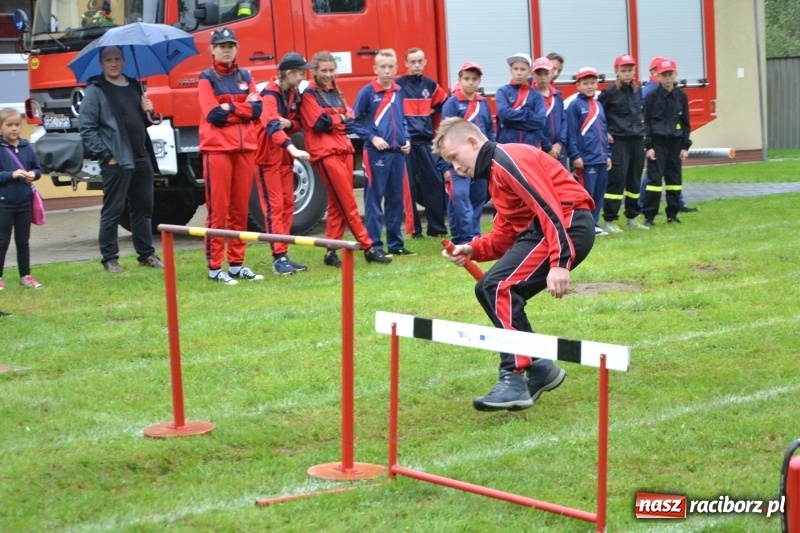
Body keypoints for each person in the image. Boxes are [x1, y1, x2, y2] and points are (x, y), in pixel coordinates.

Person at [433, 118, 595, 412]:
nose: (455, 168)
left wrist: (560, 262)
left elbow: (548, 205)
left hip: (567, 226)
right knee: (489, 289)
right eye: (449, 162)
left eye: (454, 158)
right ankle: (539, 366)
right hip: (544, 231)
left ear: (472, 142)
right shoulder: (495, 177)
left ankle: (514, 375)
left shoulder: (509, 158)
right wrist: (471, 248)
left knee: (497, 287)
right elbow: (506, 234)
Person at [299, 51, 392, 266]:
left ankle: (330, 252)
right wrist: (339, 118)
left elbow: (350, 121)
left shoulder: (335, 92)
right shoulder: (310, 95)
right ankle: (368, 248)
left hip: (343, 149)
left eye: (331, 70)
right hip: (326, 153)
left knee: (337, 204)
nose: (328, 74)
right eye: (324, 70)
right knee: (348, 203)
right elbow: (318, 123)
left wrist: (335, 120)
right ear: (315, 71)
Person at [79, 45, 164, 273]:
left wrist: (149, 111)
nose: (114, 63)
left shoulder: (134, 85)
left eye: (117, 59)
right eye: (109, 60)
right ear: (101, 64)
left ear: (124, 61)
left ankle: (146, 255)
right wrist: (108, 156)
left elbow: (143, 121)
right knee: (113, 211)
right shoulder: (96, 89)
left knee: (144, 209)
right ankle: (110, 259)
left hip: (141, 157)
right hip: (117, 160)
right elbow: (87, 129)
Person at [197, 28, 264, 284]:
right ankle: (215, 267)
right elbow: (213, 115)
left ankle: (236, 264)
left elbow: (258, 109)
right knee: (219, 211)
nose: (227, 49)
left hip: (245, 148)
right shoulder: (206, 78)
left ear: (237, 48)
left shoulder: (245, 75)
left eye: (231, 45)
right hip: (217, 150)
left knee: (239, 209)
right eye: (222, 45)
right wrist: (243, 109)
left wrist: (231, 107)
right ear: (212, 49)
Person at [256, 52, 313, 275]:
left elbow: (297, 122)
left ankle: (284, 253)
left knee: (288, 203)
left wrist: (289, 123)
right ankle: (278, 257)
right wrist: (291, 147)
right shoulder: (269, 94)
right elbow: (271, 125)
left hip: (284, 158)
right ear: (289, 73)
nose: (302, 78)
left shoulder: (292, 93)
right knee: (274, 207)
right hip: (268, 156)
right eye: (300, 73)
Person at [352, 49, 414, 256]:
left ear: (396, 68)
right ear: (375, 69)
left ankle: (396, 244)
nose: (387, 71)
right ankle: (374, 246)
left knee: (396, 199)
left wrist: (407, 139)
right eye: (382, 67)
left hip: (398, 154)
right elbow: (353, 121)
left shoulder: (398, 91)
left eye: (390, 67)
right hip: (376, 155)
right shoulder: (368, 92)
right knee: (374, 200)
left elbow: (402, 118)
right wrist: (372, 138)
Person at [395, 48, 449, 239]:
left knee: (434, 183)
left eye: (420, 61)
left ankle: (437, 228)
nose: (416, 65)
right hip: (406, 143)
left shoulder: (430, 85)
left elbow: (444, 102)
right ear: (406, 64)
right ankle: (414, 231)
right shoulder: (397, 85)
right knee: (408, 188)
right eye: (413, 62)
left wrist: (431, 111)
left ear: (425, 62)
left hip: (426, 142)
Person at [439, 61, 494, 245]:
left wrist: (492, 153)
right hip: (458, 161)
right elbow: (443, 135)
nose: (470, 83)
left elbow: (488, 130)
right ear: (460, 80)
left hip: (481, 160)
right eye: (467, 79)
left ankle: (473, 235)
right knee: (460, 197)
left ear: (479, 81)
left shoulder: (483, 103)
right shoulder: (452, 103)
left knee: (478, 197)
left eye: (474, 79)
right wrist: (445, 165)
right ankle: (465, 237)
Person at [638, 56, 698, 214]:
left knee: (674, 181)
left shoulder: (682, 97)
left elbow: (685, 123)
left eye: (670, 74)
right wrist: (649, 147)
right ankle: (649, 214)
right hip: (657, 144)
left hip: (675, 144)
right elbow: (647, 124)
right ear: (658, 75)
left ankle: (673, 212)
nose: (667, 78)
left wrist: (685, 146)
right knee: (654, 181)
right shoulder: (651, 96)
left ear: (676, 74)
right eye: (664, 75)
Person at [597, 54, 650, 233]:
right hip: (618, 142)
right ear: (617, 72)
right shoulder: (609, 93)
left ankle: (632, 218)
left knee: (634, 182)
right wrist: (605, 131)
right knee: (616, 182)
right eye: (623, 70)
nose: (627, 73)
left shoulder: (638, 91)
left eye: (630, 70)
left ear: (634, 71)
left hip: (636, 141)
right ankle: (610, 220)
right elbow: (597, 114)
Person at [0, 107, 43, 291]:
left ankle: (25, 275)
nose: (14, 129)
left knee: (23, 241)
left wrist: (34, 174)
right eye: (9, 125)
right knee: (2, 241)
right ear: (1, 127)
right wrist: (11, 174)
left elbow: (38, 169)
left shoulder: (26, 147)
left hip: (24, 203)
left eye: (17, 125)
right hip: (4, 204)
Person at [566, 67, 612, 235]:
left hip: (600, 157)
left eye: (592, 83)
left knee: (599, 192)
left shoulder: (599, 105)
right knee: (586, 194)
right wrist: (575, 155)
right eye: (585, 83)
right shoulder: (574, 106)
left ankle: (595, 222)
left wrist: (607, 155)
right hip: (586, 159)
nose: (590, 86)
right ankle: (585, 225)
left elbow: (603, 132)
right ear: (578, 85)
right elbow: (571, 132)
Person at [496, 53, 545, 146]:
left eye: (523, 69)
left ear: (530, 72)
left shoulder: (537, 95)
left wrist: (511, 122)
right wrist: (528, 113)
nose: (519, 73)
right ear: (510, 70)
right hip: (508, 147)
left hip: (530, 147)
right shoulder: (503, 91)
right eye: (515, 69)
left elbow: (540, 122)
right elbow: (504, 115)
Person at [531, 57, 567, 166]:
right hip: (540, 148)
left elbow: (563, 120)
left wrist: (559, 143)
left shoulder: (557, 94)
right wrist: (548, 147)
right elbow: (534, 126)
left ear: (552, 73)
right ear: (533, 75)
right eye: (539, 74)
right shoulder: (530, 97)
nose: (542, 77)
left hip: (558, 150)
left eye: (546, 73)